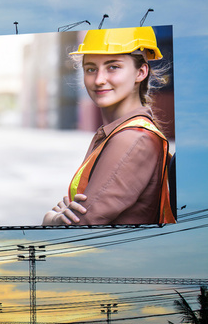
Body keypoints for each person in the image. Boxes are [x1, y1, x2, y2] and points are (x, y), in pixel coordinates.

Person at [42, 27, 175, 226]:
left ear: (141, 72)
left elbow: (80, 225)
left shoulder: (134, 138)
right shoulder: (116, 133)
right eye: (90, 69)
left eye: (113, 67)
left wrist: (50, 219)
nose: (99, 80)